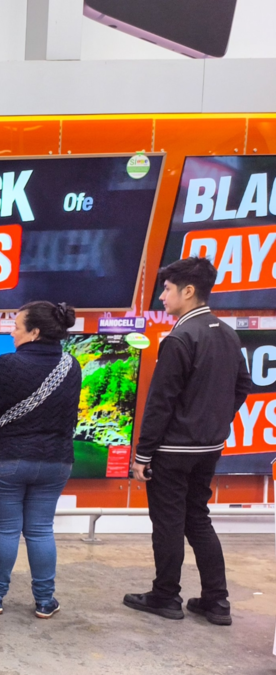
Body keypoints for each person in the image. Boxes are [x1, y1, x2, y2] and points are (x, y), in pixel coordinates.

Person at [124, 256, 251, 626]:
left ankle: (165, 596)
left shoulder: (180, 337)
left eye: (167, 289)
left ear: (189, 291)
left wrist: (143, 454)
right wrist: (215, 420)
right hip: (209, 447)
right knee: (197, 518)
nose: (163, 296)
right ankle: (217, 601)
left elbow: (160, 403)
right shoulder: (227, 333)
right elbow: (243, 386)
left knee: (168, 523)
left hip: (173, 450)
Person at [0, 302, 81, 620]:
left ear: (34, 332)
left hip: (8, 459)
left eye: (16, 327)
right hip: (56, 460)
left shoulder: (7, 364)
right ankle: (45, 601)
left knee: (5, 531)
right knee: (42, 530)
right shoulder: (72, 366)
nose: (11, 332)